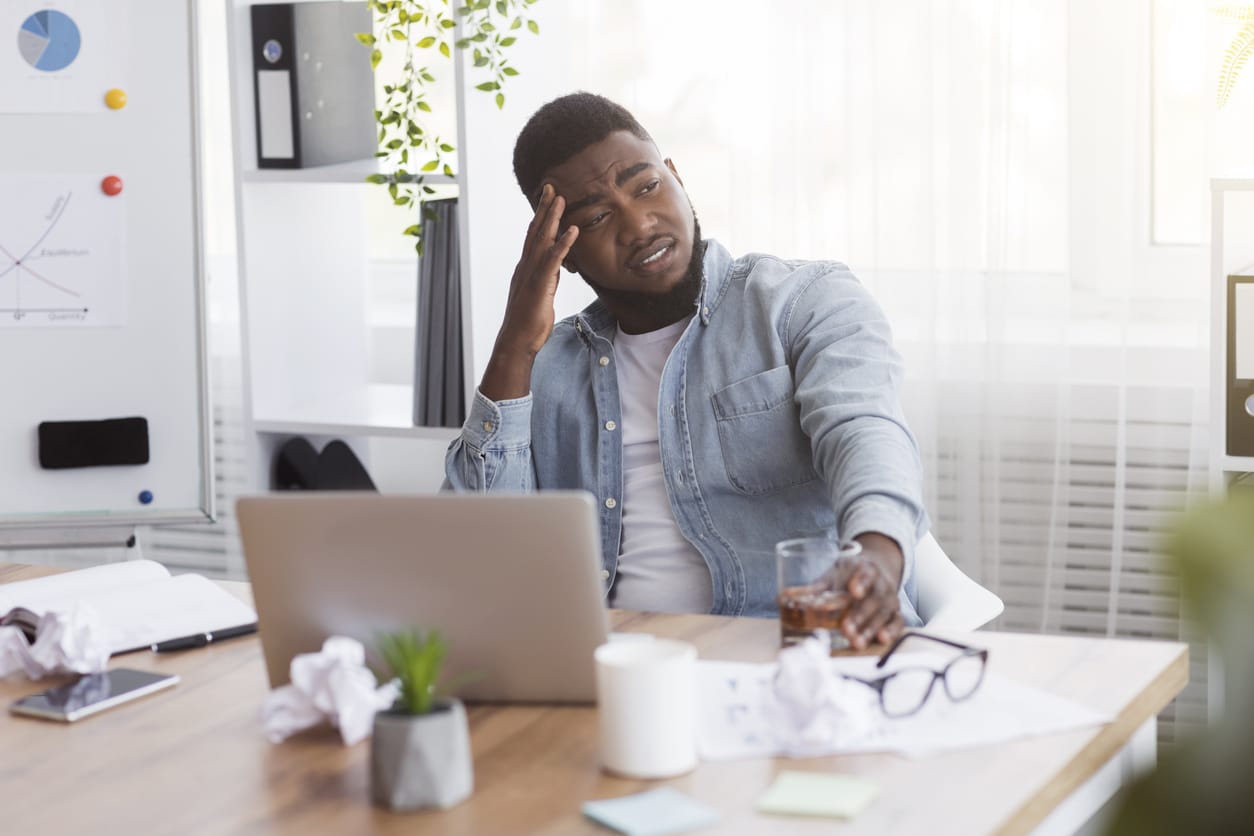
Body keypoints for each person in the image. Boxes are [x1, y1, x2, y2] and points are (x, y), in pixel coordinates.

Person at [445, 92, 928, 649]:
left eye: (646, 185)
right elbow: (480, 553)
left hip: (795, 649)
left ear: (676, 176)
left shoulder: (801, 302)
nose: (639, 224)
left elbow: (866, 431)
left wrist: (876, 552)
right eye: (598, 216)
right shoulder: (544, 368)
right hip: (615, 668)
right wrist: (513, 346)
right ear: (563, 250)